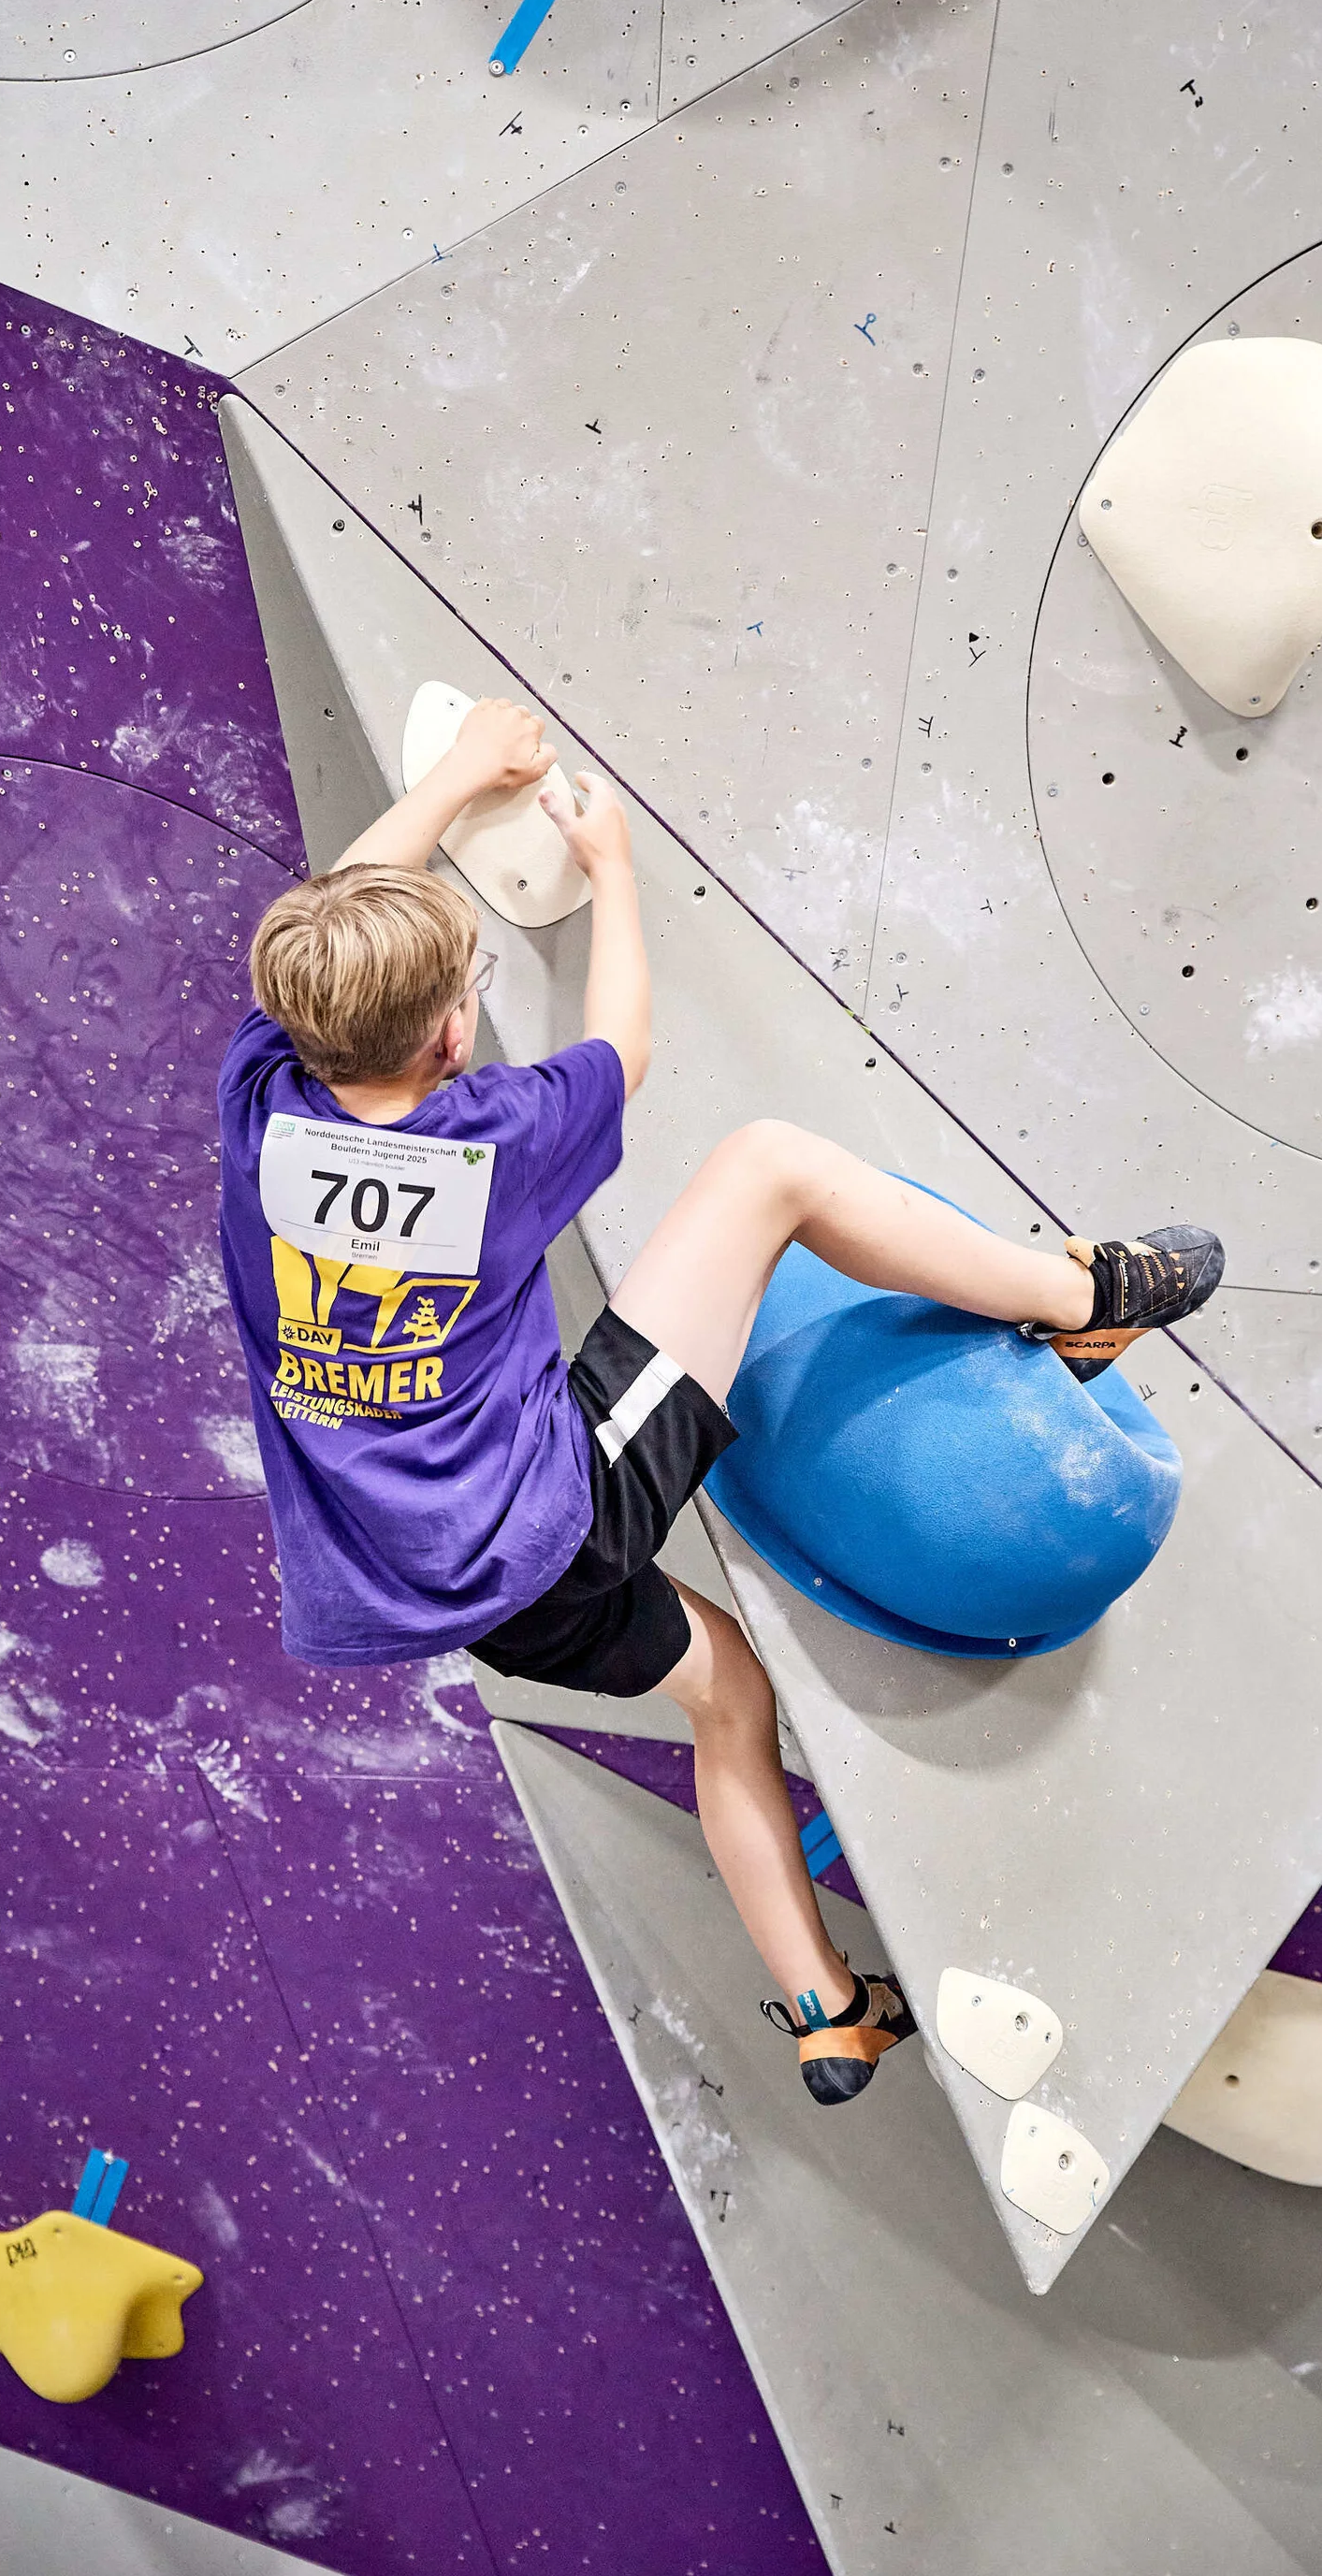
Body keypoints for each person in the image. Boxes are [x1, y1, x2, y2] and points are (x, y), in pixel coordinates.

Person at [217, 699, 1224, 2106]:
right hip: (557, 1524)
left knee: (729, 1697)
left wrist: (454, 779)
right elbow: (622, 1045)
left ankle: (829, 2012)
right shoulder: (495, 1139)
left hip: (431, 1591)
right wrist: (611, 866)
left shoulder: (263, 1110)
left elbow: (339, 907)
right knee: (769, 1168)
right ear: (454, 1037)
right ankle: (1082, 1293)